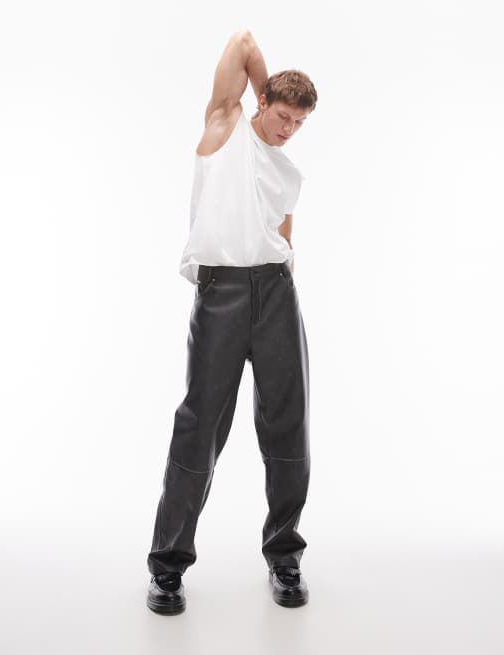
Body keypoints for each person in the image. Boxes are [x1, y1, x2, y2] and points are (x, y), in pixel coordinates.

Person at [146, 29, 318, 614]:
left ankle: (285, 557)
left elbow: (285, 237)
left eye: (299, 123)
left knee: (288, 425)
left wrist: (283, 280)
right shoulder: (225, 129)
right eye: (283, 115)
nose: (288, 129)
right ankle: (167, 567)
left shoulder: (288, 173)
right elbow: (242, 41)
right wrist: (263, 92)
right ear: (262, 102)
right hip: (221, 293)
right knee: (199, 426)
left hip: (276, 293)